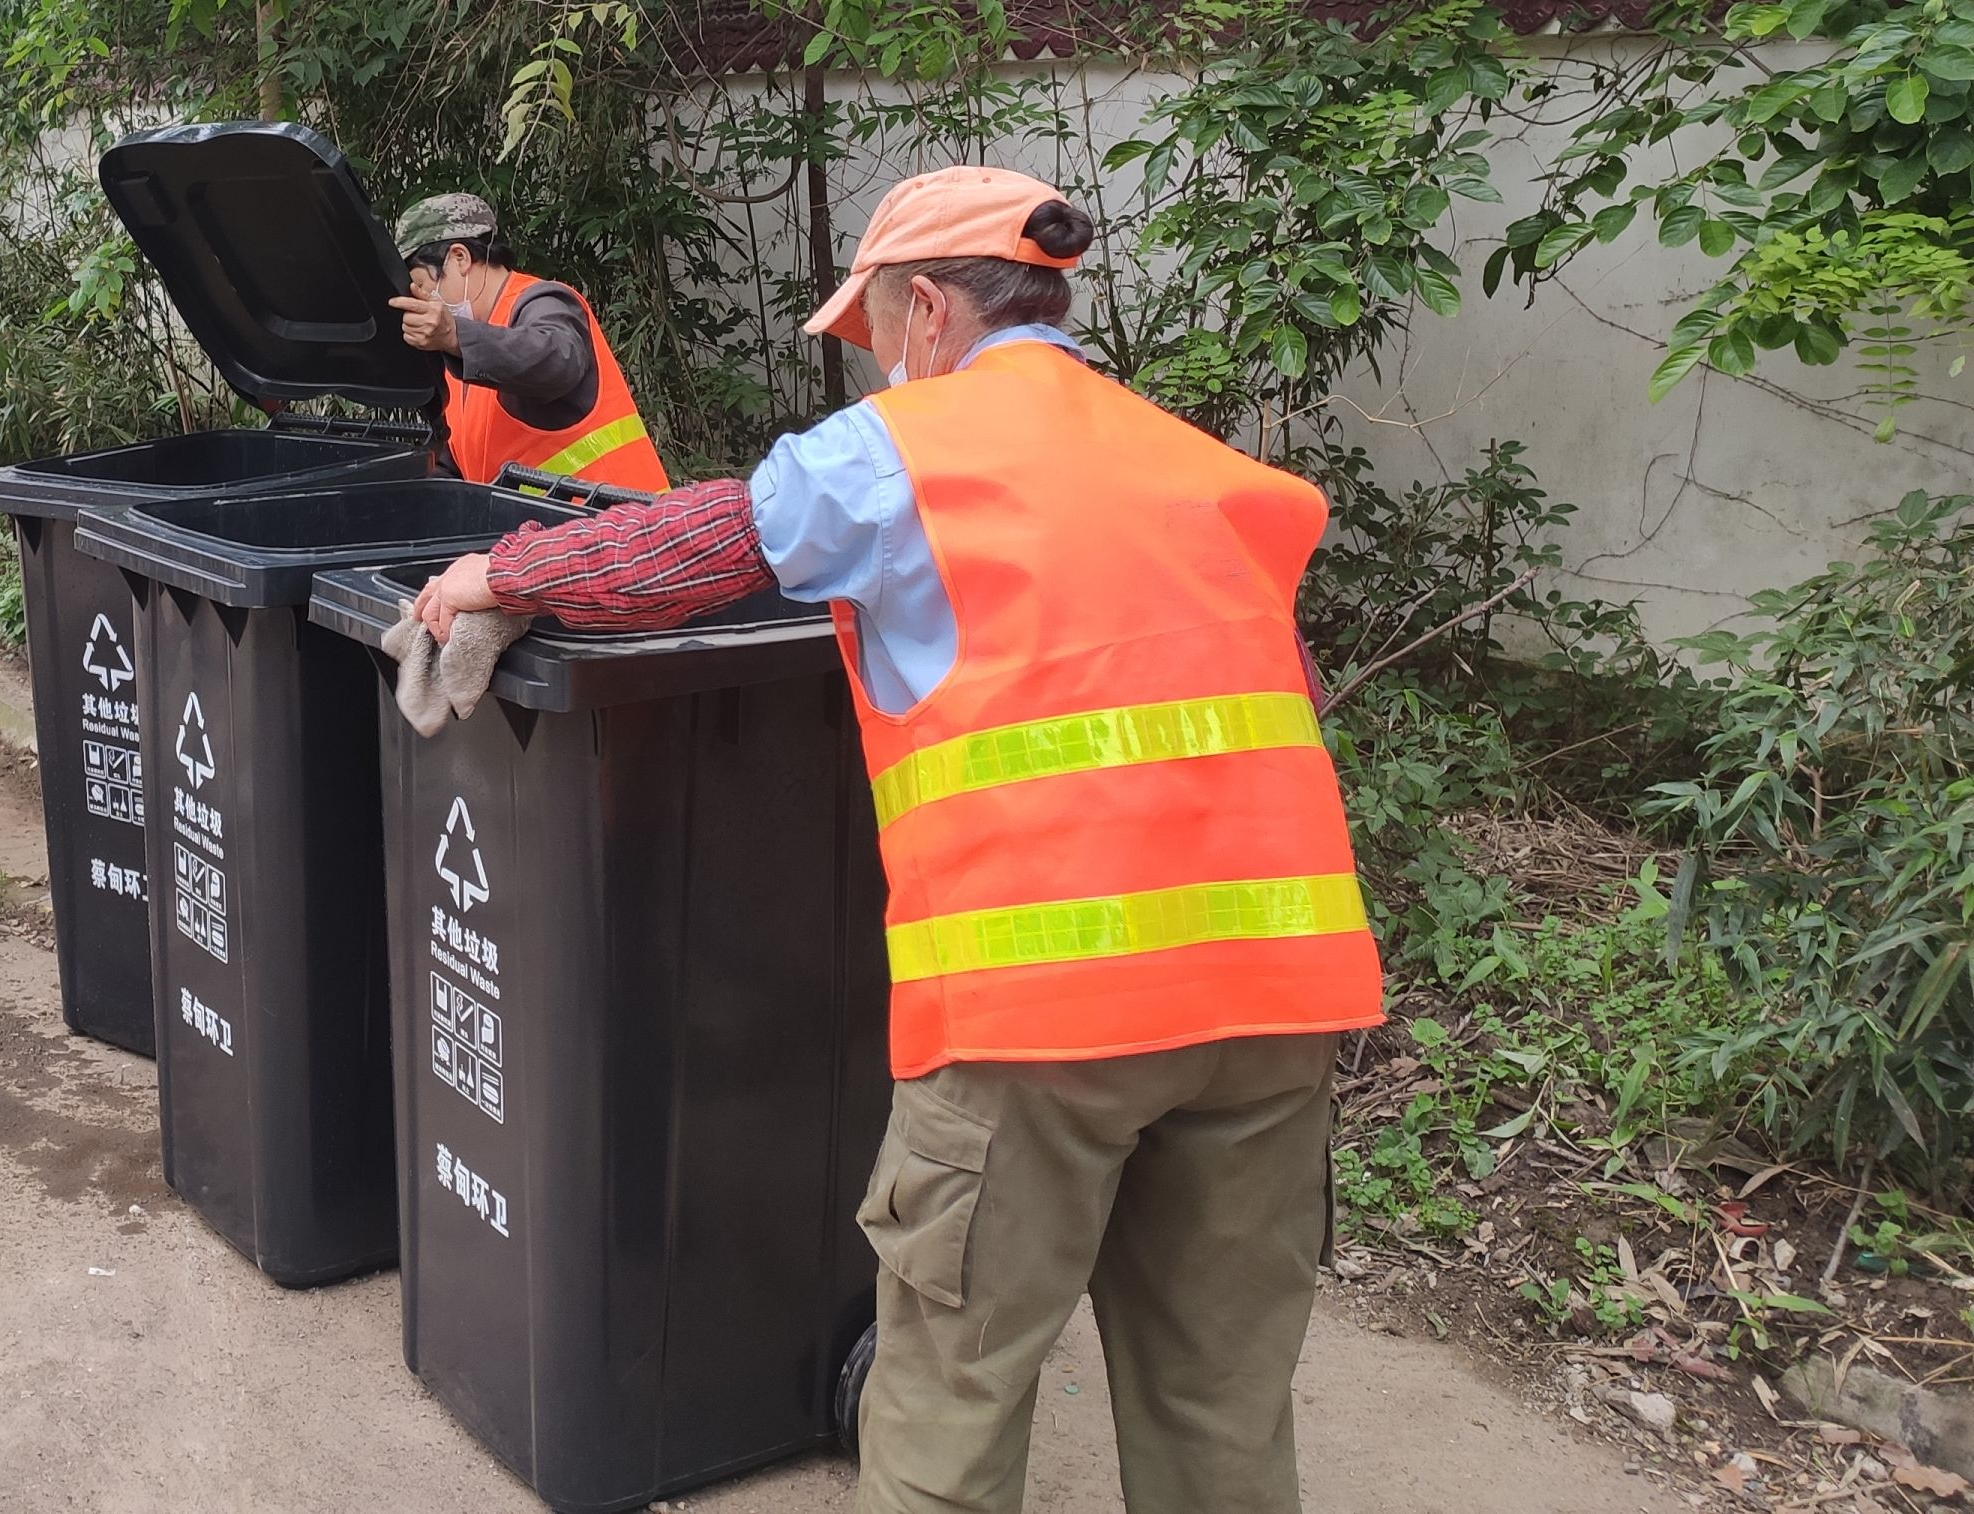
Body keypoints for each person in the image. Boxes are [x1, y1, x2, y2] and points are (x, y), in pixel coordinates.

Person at [410, 164, 1382, 1514]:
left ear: (930, 309)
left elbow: (696, 548)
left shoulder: (914, 445)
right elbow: (1283, 707)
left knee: (952, 1391)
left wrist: (496, 573)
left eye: (871, 340)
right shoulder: (1200, 467)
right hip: (1278, 1001)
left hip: (1045, 1003)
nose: (871, 374)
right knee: (1219, 1400)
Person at [386, 191, 670, 493]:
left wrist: (455, 336)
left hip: (623, 530)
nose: (426, 301)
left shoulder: (544, 302)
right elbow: (457, 466)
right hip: (548, 535)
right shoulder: (459, 354)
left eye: (425, 286)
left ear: (460, 258)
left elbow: (557, 362)